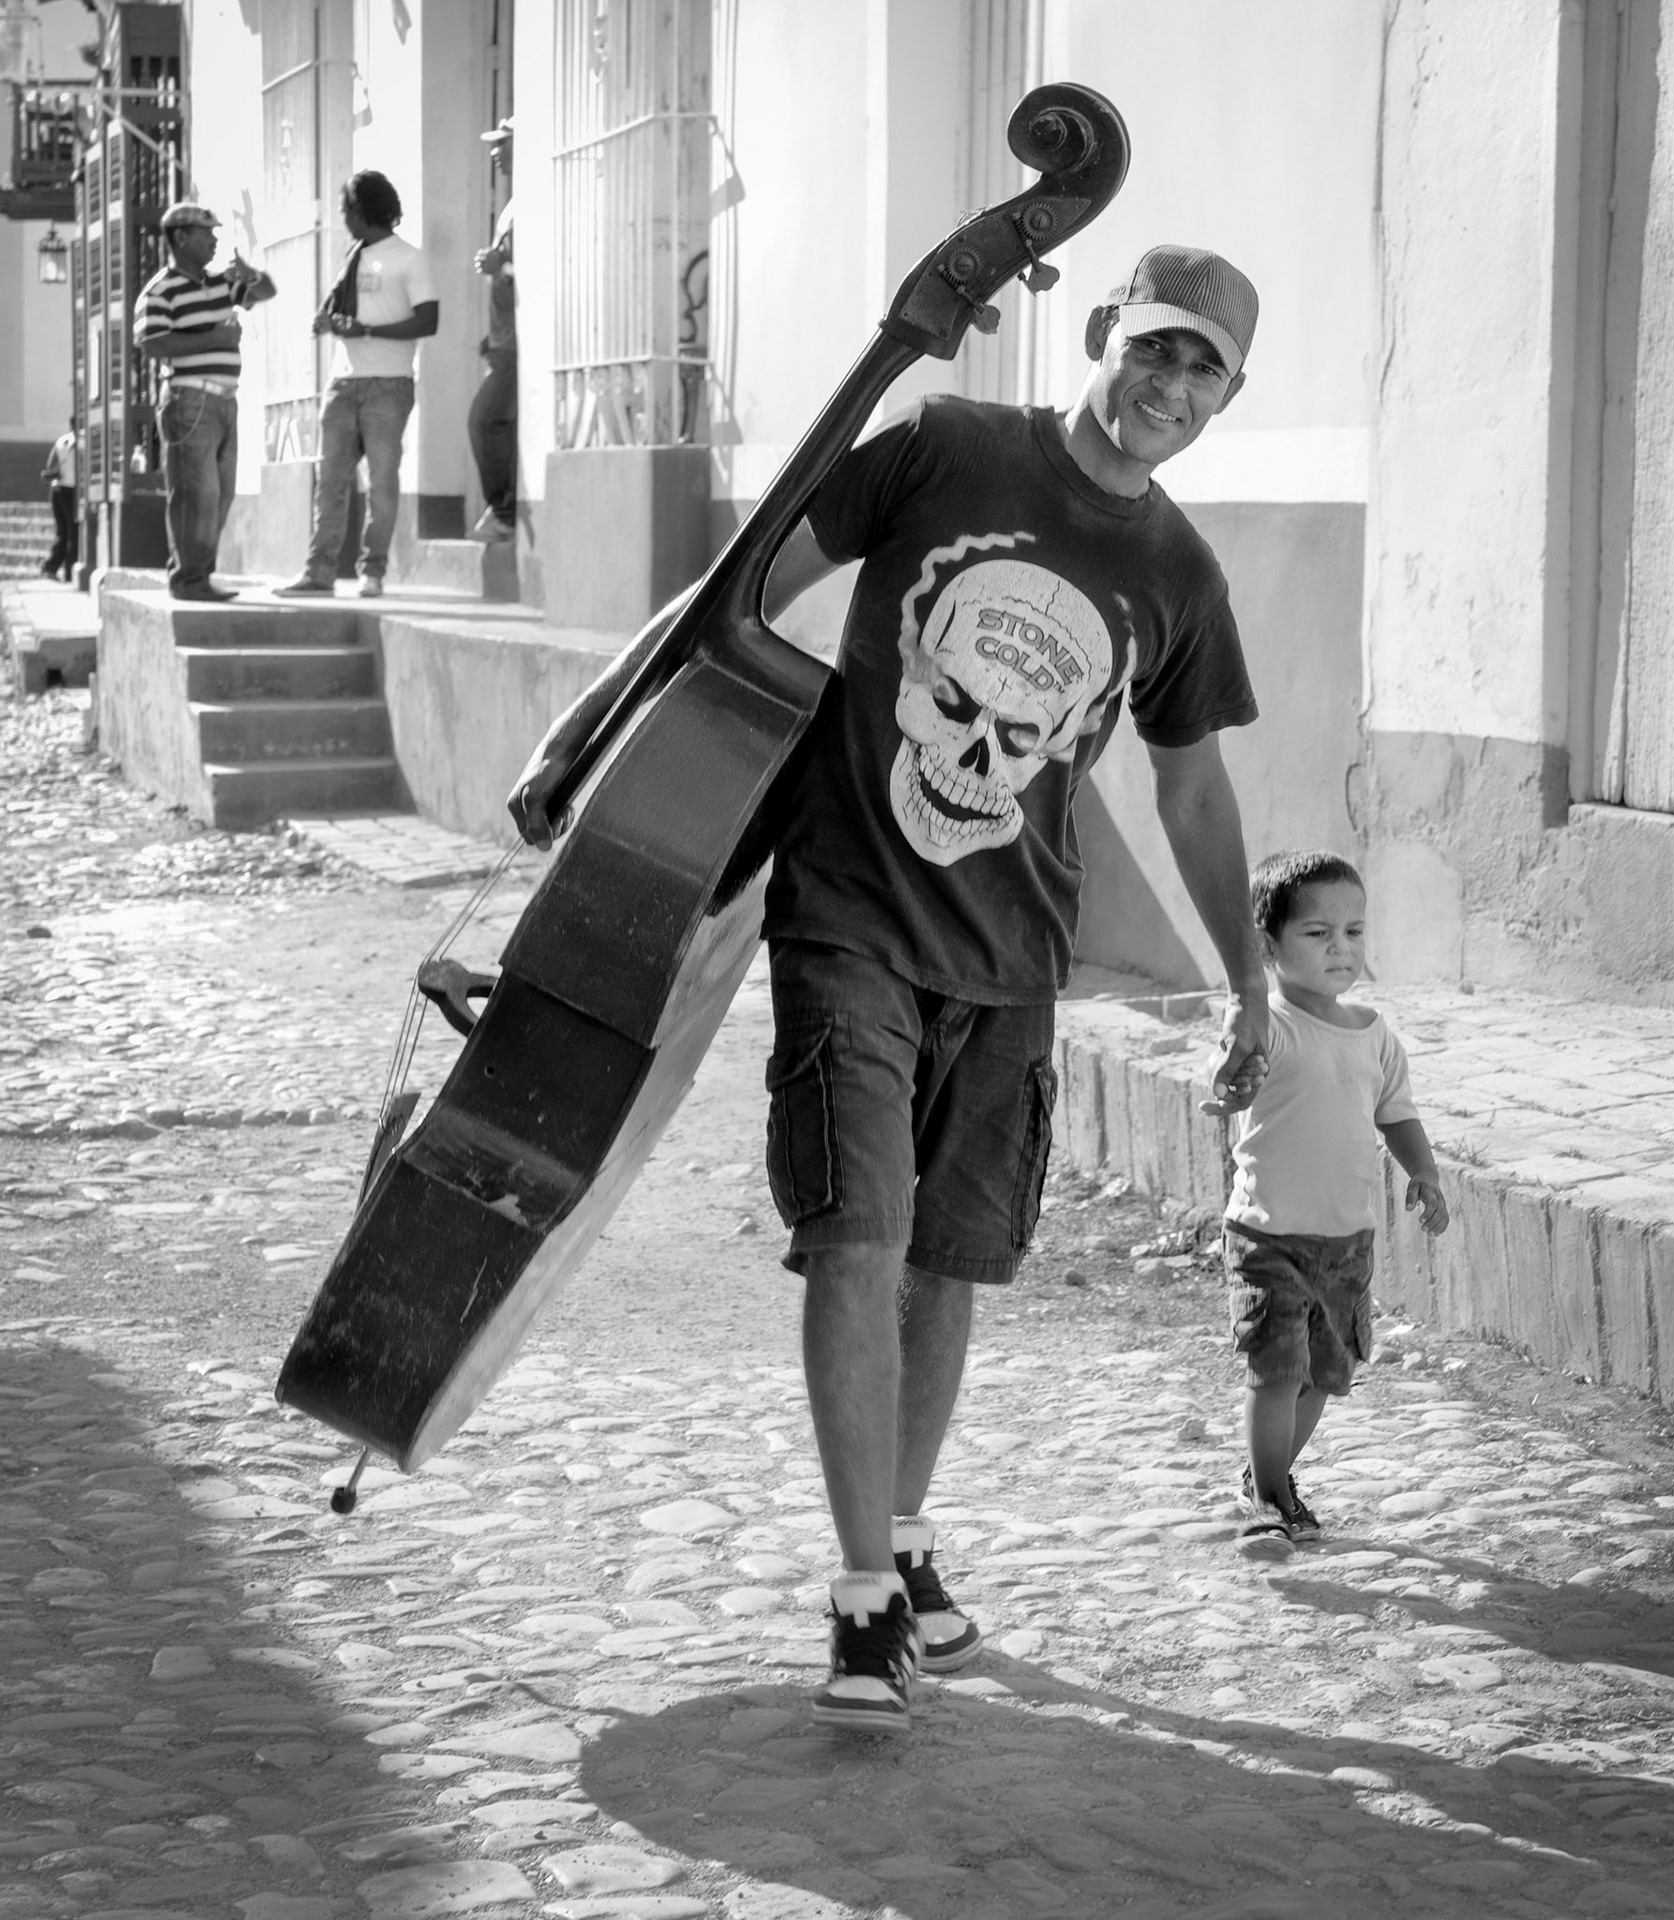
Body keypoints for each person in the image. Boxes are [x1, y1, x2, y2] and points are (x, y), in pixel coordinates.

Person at [512, 245, 1274, 1732]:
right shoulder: (946, 447)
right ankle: (865, 1602)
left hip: (1014, 959)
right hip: (849, 913)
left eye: (1208, 370)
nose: (1171, 386)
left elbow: (1192, 795)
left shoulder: (1181, 576)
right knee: (860, 1237)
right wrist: (587, 725)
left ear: (1231, 396)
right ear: (1103, 329)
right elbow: (740, 595)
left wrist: (1249, 981)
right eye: (1159, 347)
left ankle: (906, 1538)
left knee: (949, 1268)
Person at [1222, 850, 1449, 1557]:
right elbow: (1233, 1068)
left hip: (1346, 1241)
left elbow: (1397, 1113)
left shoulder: (1375, 1034)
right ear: (1268, 946)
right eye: (1317, 934)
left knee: (1324, 1373)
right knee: (1276, 1369)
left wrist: (1426, 1174)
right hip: (1268, 1236)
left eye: (1354, 931)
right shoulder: (1270, 1025)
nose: (1341, 948)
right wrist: (1232, 1081)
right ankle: (1265, 1499)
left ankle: (1273, 1475)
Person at [276, 170, 438, 600]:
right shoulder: (352, 257)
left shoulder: (410, 258)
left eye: (347, 208)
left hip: (389, 384)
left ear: (364, 210)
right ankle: (319, 571)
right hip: (343, 383)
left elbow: (428, 320)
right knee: (329, 481)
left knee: (381, 483)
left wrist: (365, 329)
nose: (343, 216)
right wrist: (331, 322)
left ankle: (373, 571)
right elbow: (344, 310)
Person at [132, 203, 276, 602]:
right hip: (188, 399)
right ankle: (189, 579)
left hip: (225, 402)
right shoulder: (159, 291)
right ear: (180, 238)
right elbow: (152, 343)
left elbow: (265, 292)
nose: (214, 240)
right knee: (197, 492)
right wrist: (214, 340)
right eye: (206, 233)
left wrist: (252, 276)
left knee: (221, 493)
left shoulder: (220, 283)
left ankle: (198, 573)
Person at [469, 116, 516, 543]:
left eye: (504, 142)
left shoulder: (532, 203)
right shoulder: (512, 206)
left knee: (484, 420)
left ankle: (504, 512)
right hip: (502, 341)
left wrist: (504, 266)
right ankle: (504, 510)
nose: (495, 151)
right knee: (496, 422)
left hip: (518, 344)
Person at [39, 414, 77, 583]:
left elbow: (50, 467)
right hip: (73, 490)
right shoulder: (84, 442)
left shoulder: (62, 441)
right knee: (73, 533)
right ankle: (70, 572)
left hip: (57, 490)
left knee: (62, 532)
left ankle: (50, 567)